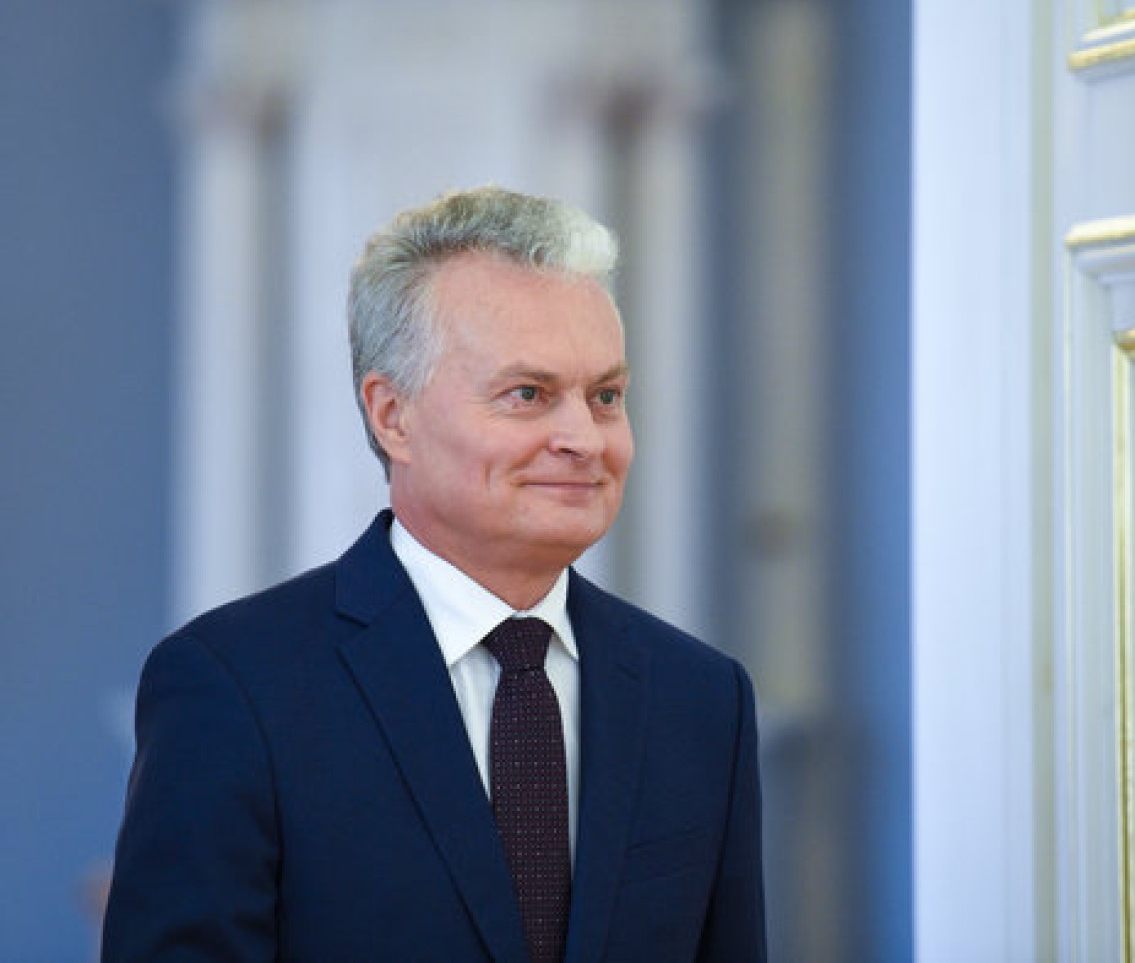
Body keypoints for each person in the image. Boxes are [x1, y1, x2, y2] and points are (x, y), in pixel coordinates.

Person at [102, 186, 767, 962]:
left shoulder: (703, 698)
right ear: (393, 416)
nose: (585, 439)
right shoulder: (234, 686)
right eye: (529, 394)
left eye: (606, 395)